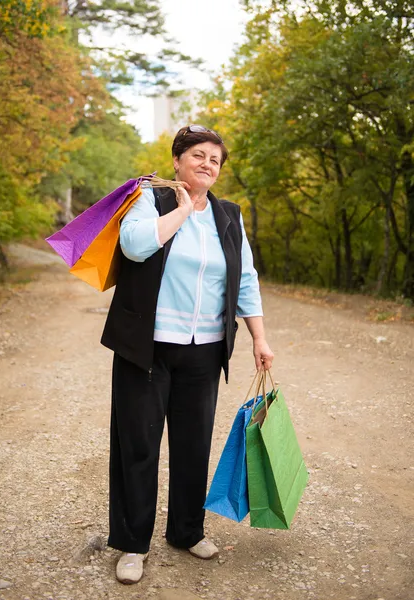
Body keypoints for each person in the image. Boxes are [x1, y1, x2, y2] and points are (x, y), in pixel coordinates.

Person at [100, 125, 274, 584]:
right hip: (148, 349)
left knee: (194, 446)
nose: (207, 165)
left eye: (215, 160)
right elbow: (136, 247)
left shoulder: (229, 217)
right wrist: (180, 209)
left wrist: (258, 337)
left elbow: (246, 280)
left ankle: (185, 530)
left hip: (205, 350)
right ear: (177, 160)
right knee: (138, 447)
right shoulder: (146, 199)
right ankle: (132, 544)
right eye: (198, 155)